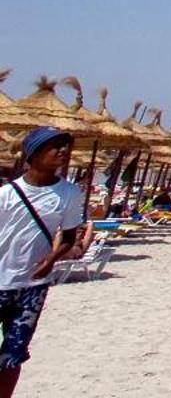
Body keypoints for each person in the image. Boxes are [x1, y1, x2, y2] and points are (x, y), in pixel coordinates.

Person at [2, 128, 85, 398]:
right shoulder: (6, 195)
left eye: (65, 147)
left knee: (14, 354)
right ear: (33, 153)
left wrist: (51, 260)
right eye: (54, 146)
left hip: (33, 288)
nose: (62, 151)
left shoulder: (70, 194)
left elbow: (69, 237)